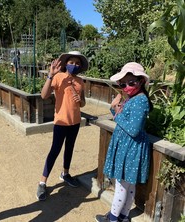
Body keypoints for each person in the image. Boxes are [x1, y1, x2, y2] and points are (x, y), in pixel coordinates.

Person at [95, 62, 153, 222]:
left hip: (130, 148)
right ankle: (123, 216)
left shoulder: (140, 101)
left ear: (141, 81)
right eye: (122, 84)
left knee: (122, 185)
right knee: (128, 185)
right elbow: (122, 117)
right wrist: (114, 109)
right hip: (127, 147)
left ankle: (113, 218)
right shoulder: (133, 98)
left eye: (131, 82)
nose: (126, 86)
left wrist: (117, 115)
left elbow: (133, 129)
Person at [36, 51, 89, 201]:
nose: (74, 65)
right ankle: (42, 182)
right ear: (66, 64)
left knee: (70, 148)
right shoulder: (58, 77)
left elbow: (83, 103)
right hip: (61, 122)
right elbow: (44, 95)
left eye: (77, 63)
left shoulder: (80, 81)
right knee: (55, 150)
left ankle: (65, 174)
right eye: (71, 62)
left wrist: (80, 100)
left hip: (75, 122)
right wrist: (50, 75)